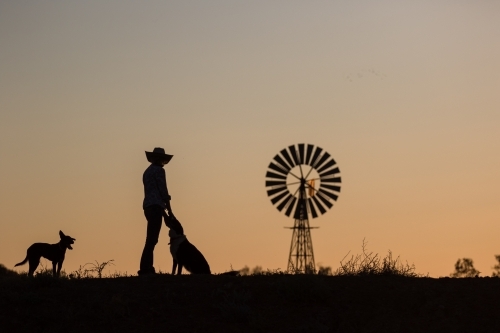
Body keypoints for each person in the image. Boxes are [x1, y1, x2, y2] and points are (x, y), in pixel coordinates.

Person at [138, 147, 175, 275]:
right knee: (152, 239)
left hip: (148, 206)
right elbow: (163, 191)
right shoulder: (159, 171)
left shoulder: (147, 172)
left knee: (151, 238)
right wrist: (169, 210)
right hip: (155, 206)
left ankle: (147, 267)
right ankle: (145, 268)